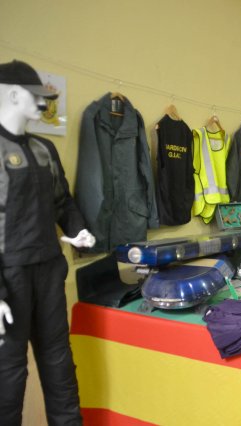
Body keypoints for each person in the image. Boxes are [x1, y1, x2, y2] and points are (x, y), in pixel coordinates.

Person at [0, 59, 96, 425]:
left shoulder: (44, 149)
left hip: (49, 271)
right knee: (8, 375)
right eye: (35, 96)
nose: (43, 104)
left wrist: (78, 230)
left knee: (59, 364)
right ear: (12, 94)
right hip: (9, 277)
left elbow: (62, 202)